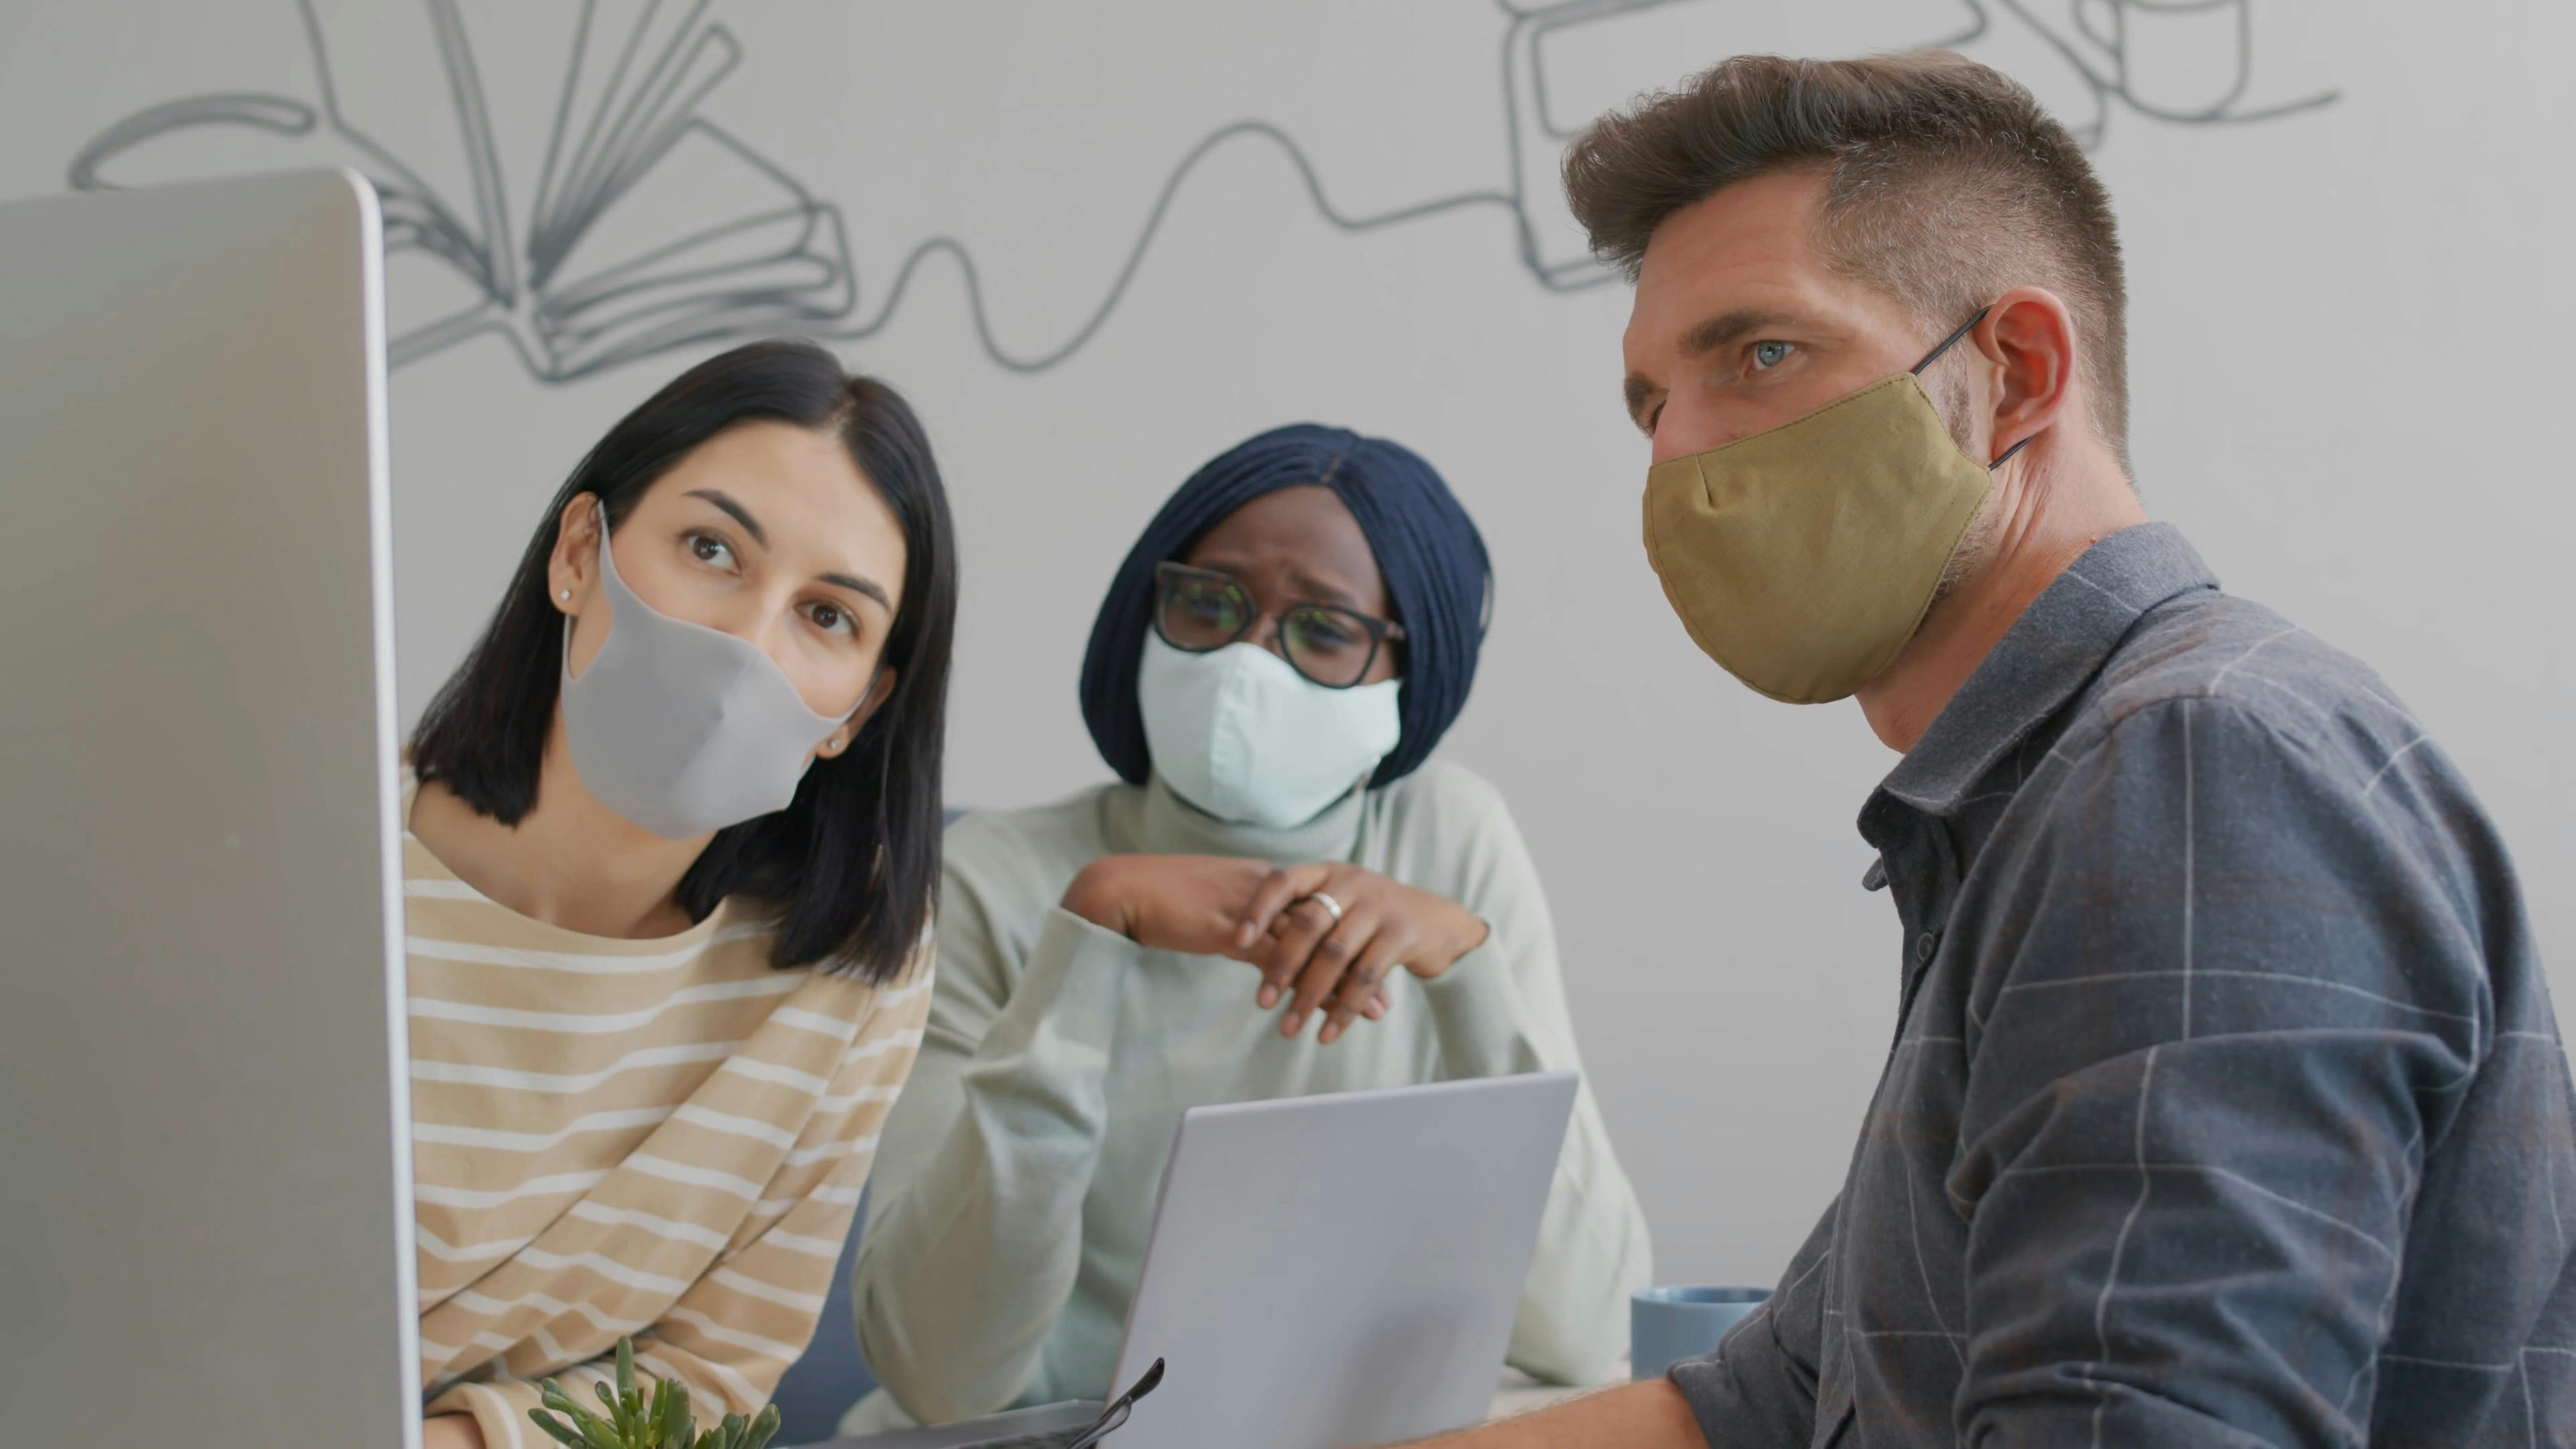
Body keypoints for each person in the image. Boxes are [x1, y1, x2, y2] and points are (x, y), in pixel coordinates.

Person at [1409, 52, 2576, 1448]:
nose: (1679, 460)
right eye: (1652, 402)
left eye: (1760, 355)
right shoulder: (2029, 802)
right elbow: (1771, 1401)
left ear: (2015, 372)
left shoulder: (2197, 773)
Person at [838, 423, 1653, 1432]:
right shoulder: (999, 879)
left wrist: (1468, 970)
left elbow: (1586, 1328)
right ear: (1149, 608)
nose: (1245, 663)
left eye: (1325, 630)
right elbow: (940, 1378)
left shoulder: (1450, 839)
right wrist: (1087, 942)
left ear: (1411, 671)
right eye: (1207, 604)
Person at [407, 339, 959, 1448]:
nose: (744, 646)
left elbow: (707, 1385)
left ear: (856, 708)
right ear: (579, 552)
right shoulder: (306, 860)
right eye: (712, 549)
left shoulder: (847, 981)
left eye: (828, 616)